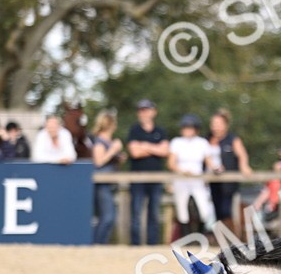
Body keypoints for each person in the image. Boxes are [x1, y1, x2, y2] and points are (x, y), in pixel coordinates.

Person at [126, 99, 169, 245]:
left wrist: (144, 145)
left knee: (154, 214)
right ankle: (136, 245)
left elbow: (165, 151)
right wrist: (155, 148)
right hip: (137, 178)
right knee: (136, 214)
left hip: (156, 179)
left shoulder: (161, 131)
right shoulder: (134, 130)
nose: (143, 113)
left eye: (146, 109)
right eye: (141, 110)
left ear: (153, 111)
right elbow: (134, 152)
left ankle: (153, 245)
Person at [169, 114, 216, 237]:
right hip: (181, 178)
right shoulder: (176, 142)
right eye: (185, 127)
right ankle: (186, 238)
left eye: (190, 127)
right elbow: (171, 163)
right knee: (182, 210)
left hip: (198, 179)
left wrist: (216, 168)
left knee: (204, 209)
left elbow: (209, 161)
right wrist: (182, 171)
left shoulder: (202, 143)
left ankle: (201, 236)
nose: (187, 130)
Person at [207, 109, 252, 232]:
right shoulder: (207, 139)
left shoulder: (232, 139)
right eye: (214, 124)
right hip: (214, 183)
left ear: (226, 125)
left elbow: (242, 154)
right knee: (217, 211)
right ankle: (221, 237)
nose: (216, 127)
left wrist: (244, 166)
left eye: (218, 124)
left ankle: (231, 236)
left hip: (229, 185)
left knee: (228, 211)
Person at [90, 110, 126, 244]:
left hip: (109, 183)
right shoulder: (100, 142)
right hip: (101, 184)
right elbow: (98, 162)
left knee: (108, 217)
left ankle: (101, 243)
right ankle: (97, 243)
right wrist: (113, 150)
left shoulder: (108, 142)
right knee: (108, 217)